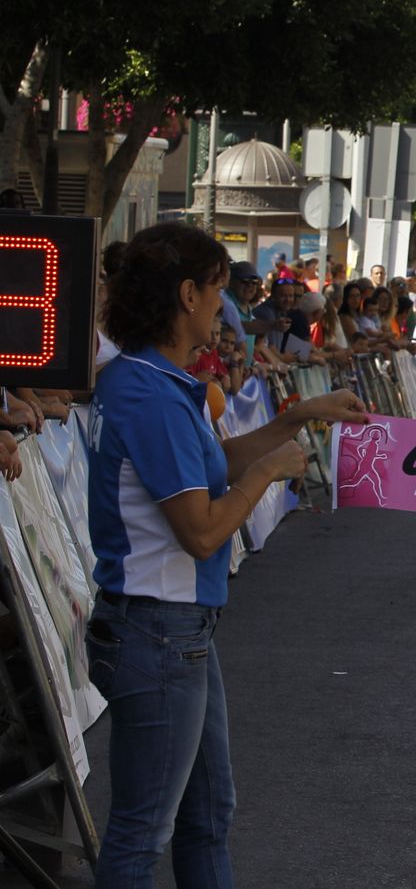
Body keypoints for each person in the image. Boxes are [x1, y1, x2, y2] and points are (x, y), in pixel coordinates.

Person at [86, 222, 368, 887]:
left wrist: (299, 417)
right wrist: (267, 470)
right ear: (187, 295)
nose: (227, 308)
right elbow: (204, 529)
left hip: (174, 628)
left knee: (207, 813)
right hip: (158, 631)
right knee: (143, 831)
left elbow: (212, 466)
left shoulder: (150, 379)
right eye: (218, 292)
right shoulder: (149, 392)